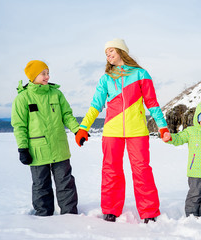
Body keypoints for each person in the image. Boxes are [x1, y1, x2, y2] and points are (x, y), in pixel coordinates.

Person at [75, 39, 170, 223]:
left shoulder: (141, 74)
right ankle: (111, 209)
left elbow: (152, 103)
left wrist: (162, 126)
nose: (108, 55)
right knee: (111, 170)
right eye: (106, 53)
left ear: (121, 51)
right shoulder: (106, 78)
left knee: (142, 170)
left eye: (111, 51)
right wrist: (84, 127)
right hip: (112, 131)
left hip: (137, 130)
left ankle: (149, 211)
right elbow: (96, 105)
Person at [11, 60, 79, 216]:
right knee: (41, 185)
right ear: (33, 75)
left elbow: (67, 115)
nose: (47, 76)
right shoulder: (23, 98)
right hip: (37, 149)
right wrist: (23, 148)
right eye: (43, 73)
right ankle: (43, 217)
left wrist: (77, 130)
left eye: (48, 73)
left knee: (65, 183)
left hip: (59, 146)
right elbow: (19, 126)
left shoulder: (56, 93)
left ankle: (70, 216)